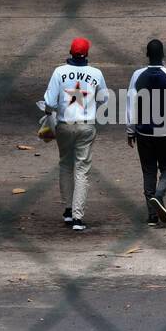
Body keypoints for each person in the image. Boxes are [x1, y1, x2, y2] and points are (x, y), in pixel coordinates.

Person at [43, 37, 108, 231]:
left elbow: (49, 102)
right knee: (82, 169)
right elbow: (104, 98)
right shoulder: (96, 73)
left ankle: (68, 210)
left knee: (65, 165)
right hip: (86, 126)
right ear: (87, 54)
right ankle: (78, 217)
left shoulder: (59, 72)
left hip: (64, 124)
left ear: (70, 52)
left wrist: (48, 115)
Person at [125, 39, 166, 227]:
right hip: (165, 132)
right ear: (163, 55)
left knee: (148, 171)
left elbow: (131, 105)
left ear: (147, 54)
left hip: (143, 132)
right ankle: (159, 195)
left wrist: (130, 131)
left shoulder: (137, 75)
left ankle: (152, 216)